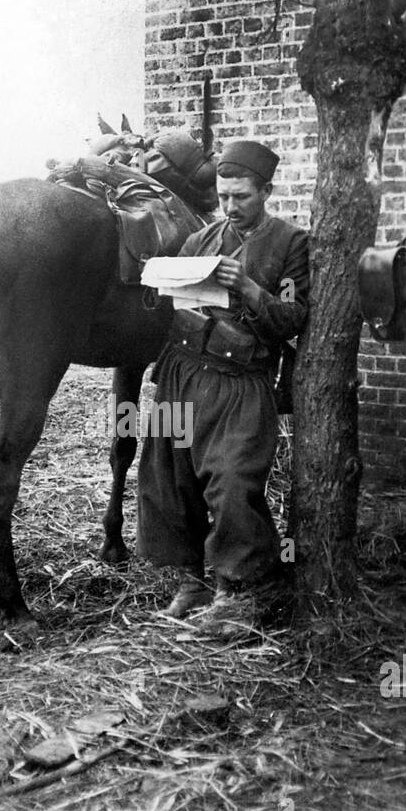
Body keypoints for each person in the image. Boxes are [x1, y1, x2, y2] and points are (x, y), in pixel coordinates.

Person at [136, 140, 310, 632]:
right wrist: (161, 284)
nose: (231, 207)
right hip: (183, 370)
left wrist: (250, 288)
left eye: (242, 197)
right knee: (170, 477)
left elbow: (294, 317)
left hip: (241, 380)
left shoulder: (291, 243)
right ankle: (192, 582)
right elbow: (175, 304)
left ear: (267, 192)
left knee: (233, 479)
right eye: (224, 195)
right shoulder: (201, 240)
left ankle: (243, 590)